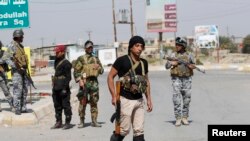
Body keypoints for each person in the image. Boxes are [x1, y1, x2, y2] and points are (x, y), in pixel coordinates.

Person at [107, 36, 153, 141]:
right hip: (125, 100)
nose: (140, 48)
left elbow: (146, 81)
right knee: (123, 131)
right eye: (137, 46)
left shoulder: (144, 63)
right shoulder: (121, 61)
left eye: (142, 46)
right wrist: (113, 96)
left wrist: (149, 99)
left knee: (139, 132)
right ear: (131, 47)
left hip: (139, 101)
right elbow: (110, 77)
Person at [165, 37, 196, 126]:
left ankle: (185, 117)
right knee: (176, 99)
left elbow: (194, 65)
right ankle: (178, 118)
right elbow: (166, 66)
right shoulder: (173, 55)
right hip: (176, 79)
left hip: (187, 80)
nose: (177, 46)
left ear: (183, 46)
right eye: (176, 44)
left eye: (179, 45)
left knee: (187, 99)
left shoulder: (189, 55)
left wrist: (191, 66)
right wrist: (171, 63)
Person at [73, 40, 104, 128]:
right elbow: (76, 71)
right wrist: (80, 80)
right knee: (83, 102)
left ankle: (94, 121)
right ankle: (82, 121)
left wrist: (99, 67)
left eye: (91, 47)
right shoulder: (81, 59)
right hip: (85, 83)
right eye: (89, 47)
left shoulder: (95, 59)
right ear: (85, 48)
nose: (90, 48)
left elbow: (101, 71)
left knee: (94, 102)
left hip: (94, 83)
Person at [2, 29, 29, 115]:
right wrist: (16, 66)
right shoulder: (11, 46)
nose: (23, 38)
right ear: (17, 36)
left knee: (24, 90)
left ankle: (23, 107)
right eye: (21, 36)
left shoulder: (20, 46)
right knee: (18, 90)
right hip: (17, 72)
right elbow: (5, 58)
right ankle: (17, 108)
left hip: (23, 71)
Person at [51, 45, 72, 130]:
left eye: (57, 52)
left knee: (65, 105)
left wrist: (64, 88)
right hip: (56, 87)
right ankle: (58, 121)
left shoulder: (66, 63)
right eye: (55, 52)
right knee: (57, 105)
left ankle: (67, 122)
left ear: (62, 52)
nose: (56, 53)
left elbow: (68, 77)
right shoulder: (56, 61)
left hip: (63, 87)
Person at [0, 40, 14, 112]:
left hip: (2, 75)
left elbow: (4, 60)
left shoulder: (2, 53)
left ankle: (12, 106)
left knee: (6, 91)